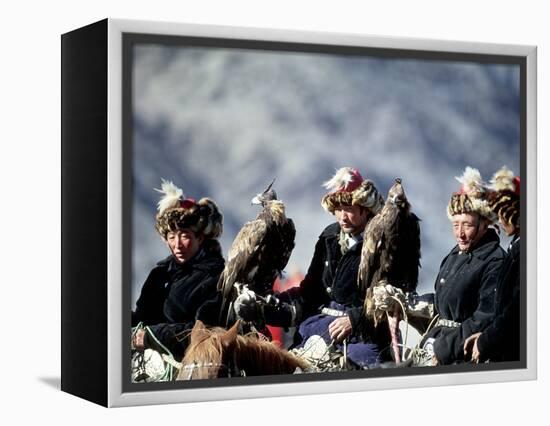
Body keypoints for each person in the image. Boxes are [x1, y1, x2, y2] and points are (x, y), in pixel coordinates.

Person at [235, 167, 390, 368]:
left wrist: (354, 319)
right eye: (338, 209)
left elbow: (394, 297)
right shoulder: (329, 237)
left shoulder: (383, 243)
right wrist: (264, 307)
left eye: (349, 208)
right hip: (317, 329)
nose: (343, 216)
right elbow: (309, 294)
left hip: (363, 338)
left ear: (365, 207)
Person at [131, 179, 225, 357]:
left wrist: (152, 337)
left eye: (185, 235)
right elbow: (142, 318)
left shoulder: (215, 276)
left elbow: (205, 331)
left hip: (190, 364)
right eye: (172, 236)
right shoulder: (160, 274)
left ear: (200, 238)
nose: (177, 244)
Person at [423, 167, 505, 365]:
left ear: (485, 223)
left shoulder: (494, 261)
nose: (459, 233)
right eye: (455, 224)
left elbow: (484, 317)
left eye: (467, 225)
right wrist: (410, 304)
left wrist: (444, 351)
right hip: (436, 342)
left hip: (462, 356)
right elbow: (446, 302)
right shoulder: (455, 254)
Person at [463, 166, 520, 363]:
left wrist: (486, 341)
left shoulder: (526, 253)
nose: (501, 219)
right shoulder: (517, 248)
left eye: (505, 212)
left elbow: (516, 310)